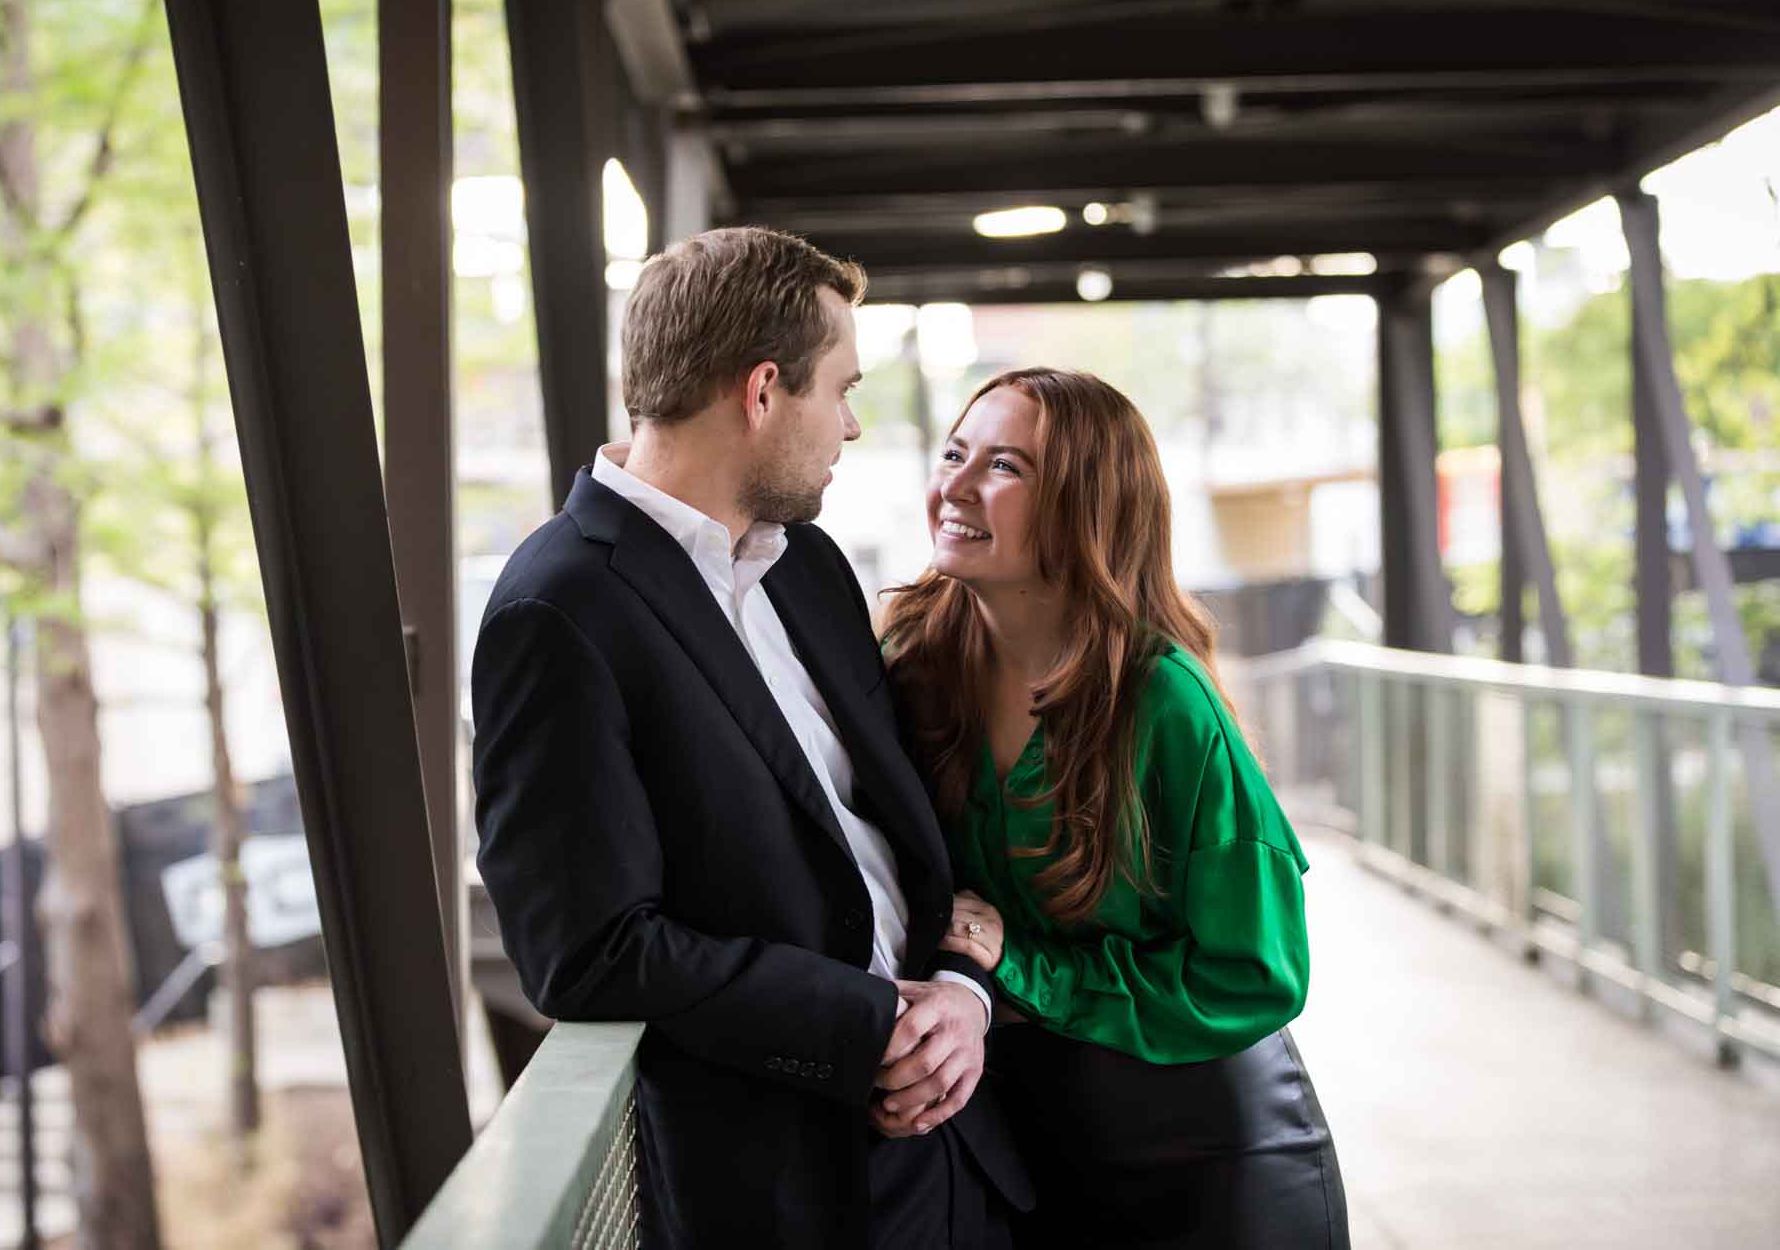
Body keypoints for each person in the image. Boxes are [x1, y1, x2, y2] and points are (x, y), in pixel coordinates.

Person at [470, 227, 1032, 1249]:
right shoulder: (555, 610)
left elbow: (899, 831)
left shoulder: (806, 567)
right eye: (841, 389)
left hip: (954, 1147)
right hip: (788, 1189)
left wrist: (960, 992)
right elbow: (586, 951)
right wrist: (866, 1026)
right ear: (763, 390)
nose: (851, 426)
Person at [881, 367, 1349, 1248]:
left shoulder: (1164, 700)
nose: (958, 484)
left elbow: (1258, 970)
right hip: (1026, 1144)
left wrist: (1026, 969)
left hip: (1211, 1159)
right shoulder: (913, 664)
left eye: (1007, 466)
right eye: (955, 452)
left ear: (1082, 505)